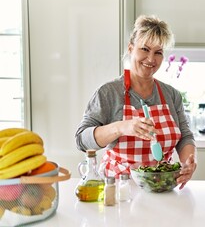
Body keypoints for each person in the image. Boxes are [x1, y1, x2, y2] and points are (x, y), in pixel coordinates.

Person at [75, 15, 196, 189]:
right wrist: (121, 127)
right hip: (118, 190)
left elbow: (184, 136)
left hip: (161, 188)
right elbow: (81, 139)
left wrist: (188, 162)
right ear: (131, 48)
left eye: (158, 52)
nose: (151, 59)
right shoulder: (109, 93)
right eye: (145, 49)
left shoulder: (171, 95)